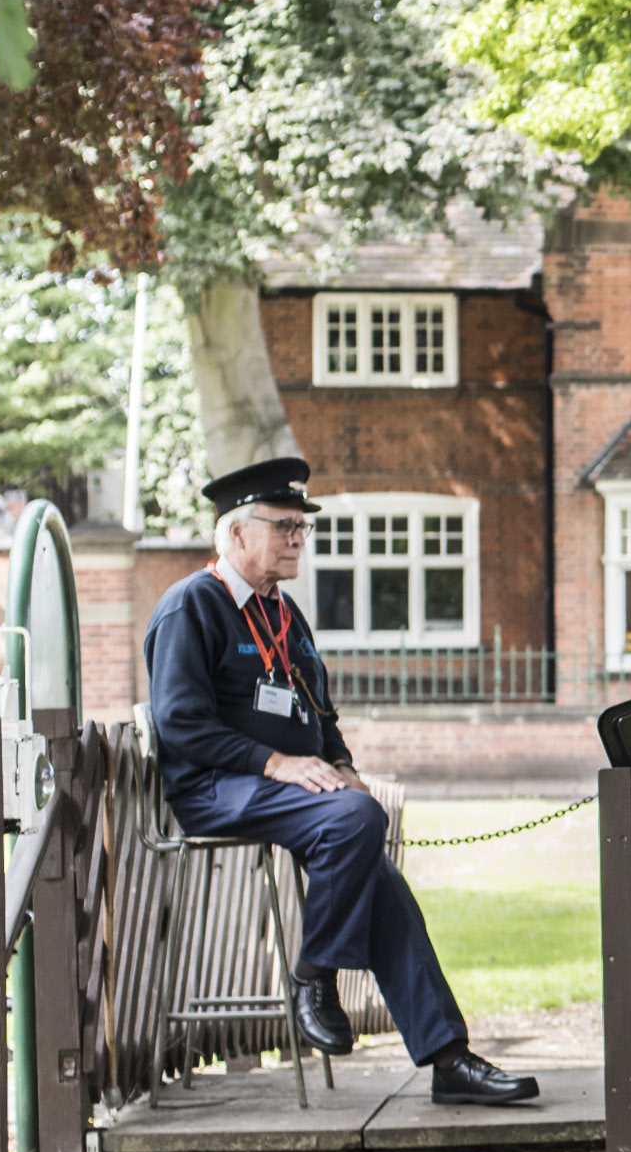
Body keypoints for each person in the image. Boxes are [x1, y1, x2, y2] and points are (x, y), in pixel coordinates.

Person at [143, 459, 539, 1106]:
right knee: (357, 823)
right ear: (237, 534)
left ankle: (447, 1057)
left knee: (372, 857)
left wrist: (343, 767)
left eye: (302, 527)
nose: (299, 538)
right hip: (219, 791)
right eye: (285, 526)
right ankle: (314, 975)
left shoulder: (282, 614)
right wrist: (275, 763)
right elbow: (181, 724)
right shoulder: (192, 606)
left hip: (290, 794)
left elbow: (318, 713)